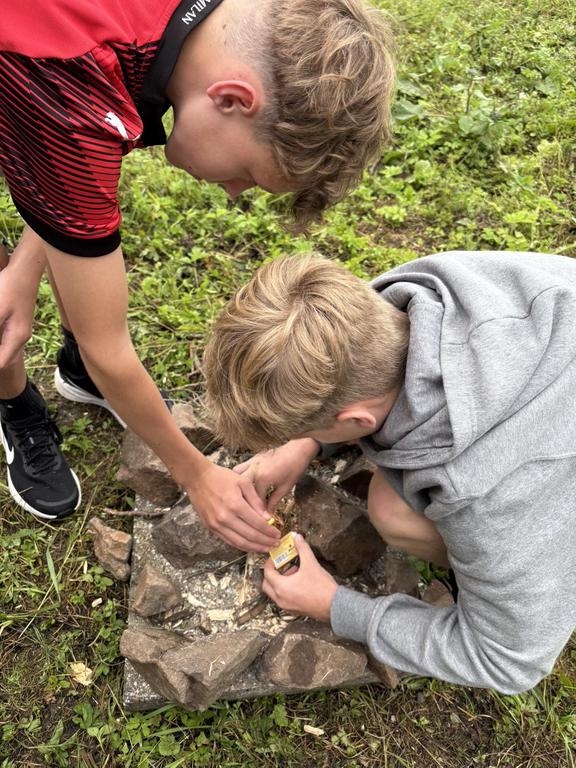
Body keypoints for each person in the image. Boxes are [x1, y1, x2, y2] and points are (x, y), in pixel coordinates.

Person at [0, 0, 394, 545]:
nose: (233, 192)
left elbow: (57, 177)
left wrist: (25, 269)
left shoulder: (198, 31)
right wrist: (198, 476)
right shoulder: (72, 93)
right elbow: (107, 345)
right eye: (248, 175)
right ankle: (14, 402)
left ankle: (78, 374)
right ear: (232, 99)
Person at [203, 251, 576, 693]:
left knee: (395, 514)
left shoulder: (483, 492)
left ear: (357, 420)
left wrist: (334, 605)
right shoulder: (420, 291)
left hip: (540, 462)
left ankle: (518, 581)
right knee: (389, 499)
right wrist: (307, 442)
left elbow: (507, 661)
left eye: (303, 430)